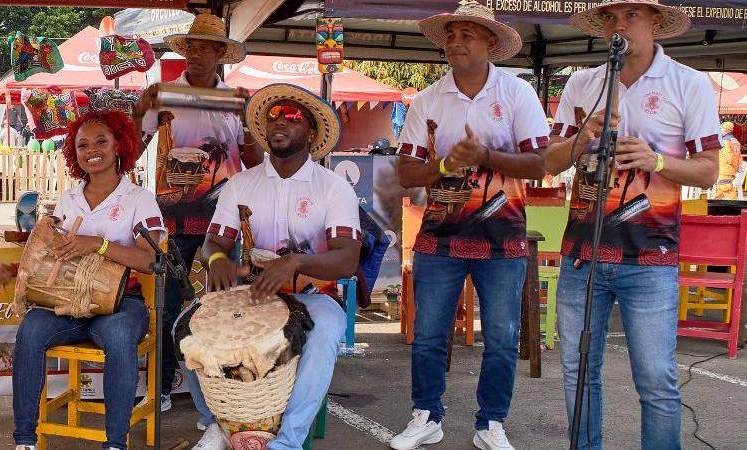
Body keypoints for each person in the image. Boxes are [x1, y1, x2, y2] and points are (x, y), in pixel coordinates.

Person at [543, 1, 720, 448]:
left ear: (656, 22)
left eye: (631, 15)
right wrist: (581, 138)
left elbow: (708, 171)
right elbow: (549, 161)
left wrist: (656, 160)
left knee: (655, 378)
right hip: (582, 255)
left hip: (650, 257)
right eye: (610, 17)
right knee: (578, 371)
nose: (618, 25)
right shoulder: (582, 83)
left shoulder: (689, 83)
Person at [388, 2, 549, 449]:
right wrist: (445, 163)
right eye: (450, 34)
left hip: (503, 237)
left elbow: (539, 164)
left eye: (467, 34)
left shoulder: (517, 93)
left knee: (502, 338)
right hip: (439, 237)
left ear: (491, 43)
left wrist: (486, 157)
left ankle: (491, 422)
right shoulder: (428, 99)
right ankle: (426, 415)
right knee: (428, 335)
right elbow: (406, 173)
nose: (455, 42)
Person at [0, 109, 166, 450]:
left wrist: (98, 244)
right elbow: (49, 255)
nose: (91, 150)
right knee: (30, 330)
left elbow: (151, 261)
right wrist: (18, 269)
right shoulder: (69, 199)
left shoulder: (138, 199)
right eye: (83, 145)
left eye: (101, 141)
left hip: (121, 304)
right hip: (67, 304)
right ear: (74, 152)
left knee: (118, 337)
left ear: (120, 145)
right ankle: (24, 440)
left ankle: (115, 443)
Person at [200, 83, 359, 449]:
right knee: (186, 325)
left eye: (292, 115)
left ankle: (287, 441)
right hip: (253, 296)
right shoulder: (241, 184)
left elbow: (348, 259)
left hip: (311, 298)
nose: (279, 121)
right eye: (273, 116)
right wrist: (219, 260)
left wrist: (297, 262)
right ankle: (216, 425)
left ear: (312, 132)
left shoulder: (334, 188)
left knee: (325, 331)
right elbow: (212, 244)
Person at [130, 12, 261, 435]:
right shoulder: (164, 94)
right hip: (170, 220)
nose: (198, 54)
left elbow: (254, 161)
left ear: (221, 54)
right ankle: (163, 386)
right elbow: (132, 147)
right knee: (167, 304)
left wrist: (251, 122)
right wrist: (140, 107)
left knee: (223, 307)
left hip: (222, 224)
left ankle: (224, 393)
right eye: (193, 47)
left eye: (207, 48)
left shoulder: (236, 100)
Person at [715, 121, 742, 199]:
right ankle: (715, 204)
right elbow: (739, 155)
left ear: (726, 130)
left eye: (721, 129)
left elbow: (729, 156)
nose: (720, 130)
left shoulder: (725, 141)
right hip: (732, 169)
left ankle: (734, 205)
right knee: (720, 189)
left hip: (725, 168)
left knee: (725, 187)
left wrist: (731, 165)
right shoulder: (735, 140)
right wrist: (736, 167)